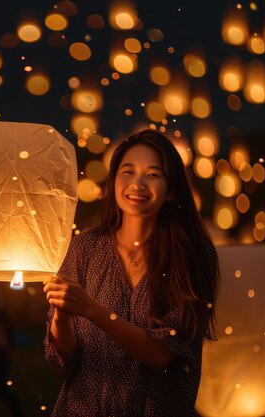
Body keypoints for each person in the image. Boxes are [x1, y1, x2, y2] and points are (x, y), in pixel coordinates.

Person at [43, 129, 219, 416]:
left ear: (171, 189)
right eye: (128, 171)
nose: (137, 183)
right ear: (113, 182)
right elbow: (65, 358)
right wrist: (61, 315)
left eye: (152, 175)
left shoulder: (191, 254)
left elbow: (163, 353)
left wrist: (90, 308)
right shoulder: (84, 248)